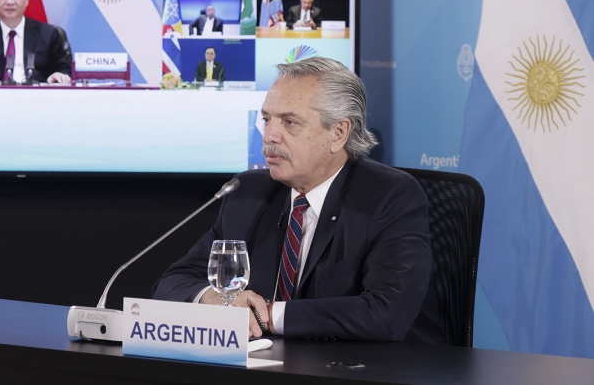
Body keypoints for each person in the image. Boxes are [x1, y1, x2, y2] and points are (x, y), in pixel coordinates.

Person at [154, 57, 446, 344]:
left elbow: (386, 313)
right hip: (272, 363)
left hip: (374, 367)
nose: (269, 135)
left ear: (338, 133)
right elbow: (173, 282)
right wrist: (213, 298)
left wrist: (268, 315)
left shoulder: (390, 196)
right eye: (267, 119)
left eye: (290, 122)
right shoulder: (248, 192)